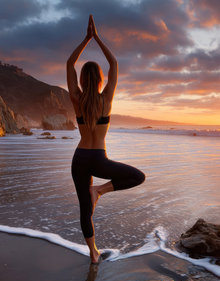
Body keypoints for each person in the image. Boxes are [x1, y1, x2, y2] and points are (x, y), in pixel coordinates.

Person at [67, 15, 145, 264]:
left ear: (81, 80)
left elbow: (70, 63)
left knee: (84, 211)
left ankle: (93, 254)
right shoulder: (106, 99)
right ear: (101, 79)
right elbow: (114, 62)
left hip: (80, 158)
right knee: (138, 176)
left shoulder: (76, 99)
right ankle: (99, 190)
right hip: (99, 159)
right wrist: (97, 38)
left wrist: (85, 40)